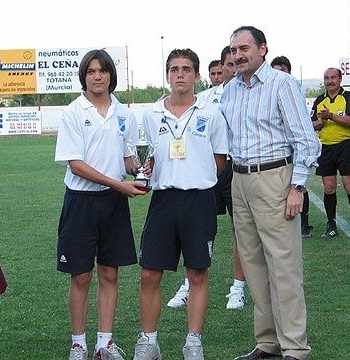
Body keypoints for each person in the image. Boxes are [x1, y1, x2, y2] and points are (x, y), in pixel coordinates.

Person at [221, 25, 320, 360]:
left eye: (244, 48)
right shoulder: (231, 90)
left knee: (283, 265)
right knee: (253, 264)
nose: (238, 55)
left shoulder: (282, 84)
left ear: (263, 49)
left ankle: (295, 346)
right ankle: (268, 343)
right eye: (233, 50)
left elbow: (307, 141)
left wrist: (297, 187)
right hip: (240, 180)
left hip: (275, 178)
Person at [134, 48, 228, 360]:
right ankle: (149, 341)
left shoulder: (211, 113)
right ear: (167, 75)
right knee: (149, 273)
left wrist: (194, 174)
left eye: (187, 69)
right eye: (174, 69)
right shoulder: (152, 114)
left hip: (199, 201)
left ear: (197, 76)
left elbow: (219, 160)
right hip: (163, 200)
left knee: (197, 273)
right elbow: (150, 157)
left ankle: (193, 342)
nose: (180, 75)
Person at [55, 49, 148, 360]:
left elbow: (127, 158)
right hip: (81, 202)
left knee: (110, 274)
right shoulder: (72, 112)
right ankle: (78, 344)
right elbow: (76, 165)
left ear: (111, 75)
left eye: (103, 71)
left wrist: (141, 169)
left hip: (113, 203)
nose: (97, 76)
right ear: (84, 76)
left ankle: (103, 344)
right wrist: (119, 183)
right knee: (80, 275)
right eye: (91, 71)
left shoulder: (124, 114)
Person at [167, 45, 247, 311]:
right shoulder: (206, 98)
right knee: (195, 229)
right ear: (221, 68)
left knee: (239, 229)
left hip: (237, 169)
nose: (232, 69)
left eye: (236, 65)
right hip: (207, 170)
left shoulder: (249, 94)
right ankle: (189, 284)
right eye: (228, 65)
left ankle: (238, 288)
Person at [312, 67, 350, 238]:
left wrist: (331, 116)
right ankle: (331, 224)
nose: (330, 81)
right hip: (326, 147)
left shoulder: (348, 97)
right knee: (328, 187)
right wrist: (323, 120)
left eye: (333, 77)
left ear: (340, 79)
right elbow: (312, 125)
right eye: (326, 78)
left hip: (345, 146)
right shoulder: (319, 100)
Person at [270, 55, 313, 238]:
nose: (278, 74)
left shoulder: (290, 86)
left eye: (282, 70)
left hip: (292, 149)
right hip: (279, 152)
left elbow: (304, 133)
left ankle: (304, 222)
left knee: (298, 186)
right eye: (275, 71)